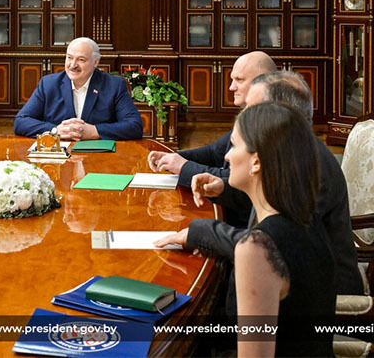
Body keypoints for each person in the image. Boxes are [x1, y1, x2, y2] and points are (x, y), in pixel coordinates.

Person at [156, 71, 363, 295]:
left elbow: (276, 245)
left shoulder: (309, 167)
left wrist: (204, 234)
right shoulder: (290, 152)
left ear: (278, 116)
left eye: (252, 109)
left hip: (320, 292)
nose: (244, 114)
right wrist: (223, 187)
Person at [226, 103, 334, 356]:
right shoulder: (309, 219)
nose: (227, 156)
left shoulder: (257, 247)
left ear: (256, 161)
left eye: (234, 145)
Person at [147, 51, 277, 187]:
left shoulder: (270, 123)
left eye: (240, 80)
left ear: (263, 82)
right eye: (233, 79)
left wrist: (183, 167)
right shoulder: (250, 114)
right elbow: (214, 153)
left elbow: (236, 180)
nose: (231, 87)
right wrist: (172, 156)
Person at [14, 37, 142, 141]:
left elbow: (134, 125)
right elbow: (21, 121)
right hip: (59, 156)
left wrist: (95, 131)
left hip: (99, 156)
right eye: (69, 58)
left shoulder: (114, 85)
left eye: (81, 60)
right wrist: (55, 130)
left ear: (95, 62)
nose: (73, 65)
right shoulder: (48, 84)